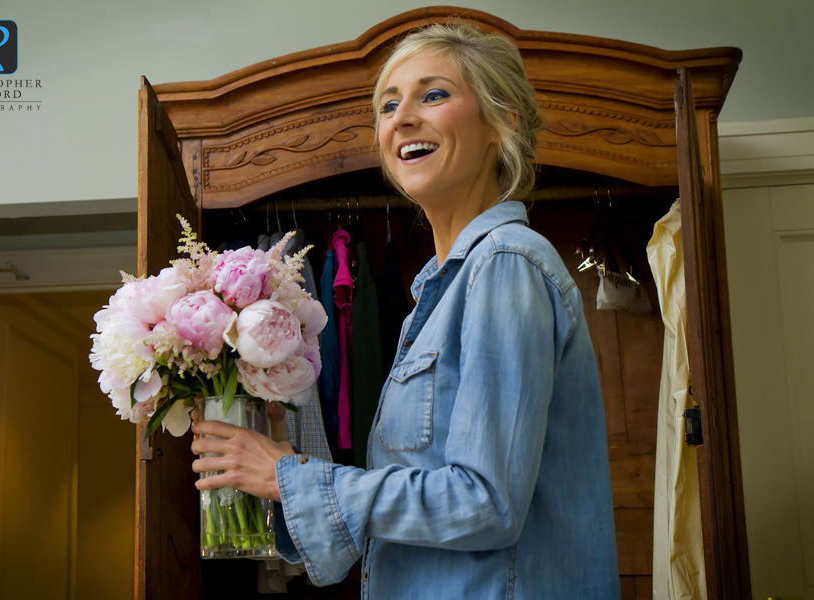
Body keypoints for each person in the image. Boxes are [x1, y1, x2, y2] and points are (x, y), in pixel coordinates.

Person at [191, 22, 619, 599]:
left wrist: (292, 477)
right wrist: (278, 476)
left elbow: (485, 503)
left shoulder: (503, 264)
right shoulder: (440, 291)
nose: (402, 117)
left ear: (501, 121)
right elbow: (408, 514)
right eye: (389, 105)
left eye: (434, 94)